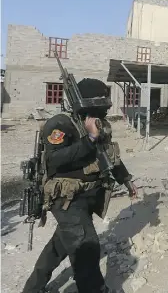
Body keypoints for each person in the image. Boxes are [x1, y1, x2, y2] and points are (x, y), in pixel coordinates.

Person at [22, 78, 138, 293]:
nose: (105, 107)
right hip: (65, 198)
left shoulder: (98, 123)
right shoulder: (60, 124)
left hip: (86, 196)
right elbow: (55, 159)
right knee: (87, 246)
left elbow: (109, 155)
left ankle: (32, 288)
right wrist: (90, 138)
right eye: (100, 102)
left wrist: (125, 178)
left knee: (59, 246)